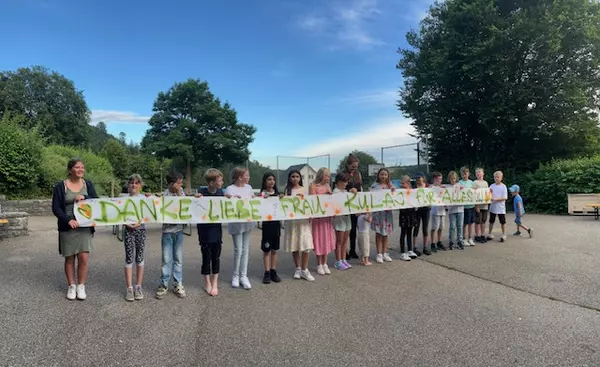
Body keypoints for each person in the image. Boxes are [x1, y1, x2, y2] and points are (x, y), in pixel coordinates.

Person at [52, 158, 98, 301]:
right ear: (70, 169)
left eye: (82, 167)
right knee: (70, 257)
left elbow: (96, 200)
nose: (81, 170)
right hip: (68, 226)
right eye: (77, 167)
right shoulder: (61, 186)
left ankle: (81, 286)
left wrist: (85, 196)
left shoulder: (88, 184)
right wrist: (68, 220)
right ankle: (71, 285)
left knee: (83, 257)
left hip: (84, 226)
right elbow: (56, 208)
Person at [156, 171, 187, 299]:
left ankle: (177, 283)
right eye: (179, 183)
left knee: (178, 259)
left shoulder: (182, 193)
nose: (181, 185)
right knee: (166, 259)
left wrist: (179, 192)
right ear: (171, 183)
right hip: (167, 232)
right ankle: (163, 284)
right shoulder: (164, 195)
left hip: (179, 231)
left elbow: (185, 205)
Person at [225, 167, 255, 290]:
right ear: (240, 177)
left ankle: (244, 276)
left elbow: (254, 202)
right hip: (236, 223)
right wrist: (229, 198)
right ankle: (235, 275)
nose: (248, 177)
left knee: (246, 249)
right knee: (238, 250)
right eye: (247, 175)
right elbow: (226, 202)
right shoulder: (230, 188)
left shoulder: (249, 188)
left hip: (247, 222)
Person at [196, 168, 224, 296]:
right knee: (206, 256)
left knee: (216, 256)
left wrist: (231, 199)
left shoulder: (221, 193)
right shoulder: (202, 192)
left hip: (216, 229)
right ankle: (207, 281)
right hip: (204, 231)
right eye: (220, 180)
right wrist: (196, 198)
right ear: (212, 182)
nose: (222, 182)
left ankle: (215, 282)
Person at [283, 169, 315, 281]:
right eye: (293, 176)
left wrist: (310, 214)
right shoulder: (287, 191)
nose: (295, 178)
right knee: (295, 245)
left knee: (306, 245)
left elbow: (310, 203)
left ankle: (305, 270)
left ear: (300, 178)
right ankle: (298, 268)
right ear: (289, 178)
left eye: (297, 176)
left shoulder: (304, 190)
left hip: (303, 220)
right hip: (292, 221)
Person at [123, 174, 147, 302]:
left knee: (140, 257)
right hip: (128, 230)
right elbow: (118, 214)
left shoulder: (144, 198)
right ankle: (129, 288)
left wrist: (140, 222)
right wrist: (126, 223)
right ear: (128, 185)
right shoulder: (123, 200)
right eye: (131, 182)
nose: (134, 185)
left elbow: (149, 212)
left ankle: (138, 286)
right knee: (129, 257)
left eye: (137, 183)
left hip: (140, 230)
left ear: (140, 185)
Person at [310, 168, 336, 274]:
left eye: (329, 176)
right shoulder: (313, 186)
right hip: (318, 218)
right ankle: (319, 264)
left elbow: (331, 201)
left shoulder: (327, 186)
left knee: (326, 239)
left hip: (326, 218)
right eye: (326, 176)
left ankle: (325, 263)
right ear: (321, 175)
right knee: (319, 239)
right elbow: (312, 199)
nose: (328, 178)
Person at [259, 172, 283, 284]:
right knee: (266, 250)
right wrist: (263, 199)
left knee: (274, 250)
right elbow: (258, 207)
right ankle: (267, 272)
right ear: (265, 181)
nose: (271, 181)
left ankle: (273, 271)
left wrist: (282, 198)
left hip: (276, 225)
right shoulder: (262, 194)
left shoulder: (278, 194)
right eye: (269, 179)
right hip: (267, 226)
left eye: (273, 179)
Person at [370, 168, 394, 263]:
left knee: (385, 234)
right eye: (381, 174)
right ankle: (379, 253)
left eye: (385, 174)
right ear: (378, 175)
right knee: (379, 233)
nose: (383, 176)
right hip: (378, 213)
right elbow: (371, 197)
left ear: (388, 176)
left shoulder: (390, 186)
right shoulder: (374, 186)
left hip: (387, 213)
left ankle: (385, 253)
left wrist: (392, 189)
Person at [343, 154, 362, 259]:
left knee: (354, 229)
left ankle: (353, 250)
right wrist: (348, 191)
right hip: (345, 205)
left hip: (355, 204)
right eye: (352, 167)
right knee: (346, 229)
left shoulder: (358, 174)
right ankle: (344, 251)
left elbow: (360, 189)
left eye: (356, 167)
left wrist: (360, 206)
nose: (354, 169)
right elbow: (338, 189)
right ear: (348, 165)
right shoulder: (342, 174)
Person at [332, 173, 352, 270]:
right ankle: (338, 260)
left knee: (345, 240)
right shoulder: (335, 192)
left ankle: (343, 259)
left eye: (346, 181)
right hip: (339, 218)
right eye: (343, 181)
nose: (345, 183)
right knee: (339, 241)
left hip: (347, 217)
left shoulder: (346, 192)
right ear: (338, 182)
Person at [399, 175, 418, 261]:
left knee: (409, 232)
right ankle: (403, 252)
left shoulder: (412, 191)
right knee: (403, 233)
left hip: (411, 213)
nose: (402, 184)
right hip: (403, 214)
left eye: (404, 183)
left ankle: (410, 250)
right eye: (402, 183)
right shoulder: (399, 191)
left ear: (408, 183)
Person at [412, 172, 431, 256]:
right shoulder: (414, 188)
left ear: (423, 178)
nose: (418, 180)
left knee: (425, 228)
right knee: (416, 228)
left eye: (419, 178)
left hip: (426, 209)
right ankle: (414, 247)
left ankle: (425, 247)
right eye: (417, 179)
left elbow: (435, 192)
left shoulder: (427, 187)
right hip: (417, 210)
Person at [487, 171, 508, 242]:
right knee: (491, 221)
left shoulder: (503, 186)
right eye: (495, 177)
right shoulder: (491, 186)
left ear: (501, 178)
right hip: (493, 207)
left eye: (498, 177)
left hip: (501, 208)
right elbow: (487, 194)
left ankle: (504, 234)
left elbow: (505, 197)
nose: (496, 178)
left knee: (502, 222)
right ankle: (489, 234)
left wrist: (495, 199)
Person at [429, 171, 447, 251]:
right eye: (439, 179)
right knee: (434, 227)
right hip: (435, 210)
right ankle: (432, 243)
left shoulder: (442, 187)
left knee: (441, 227)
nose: (440, 180)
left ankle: (439, 242)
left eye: (441, 179)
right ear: (435, 179)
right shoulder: (431, 187)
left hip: (442, 209)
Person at [447, 171, 465, 250]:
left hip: (460, 209)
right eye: (451, 179)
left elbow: (466, 192)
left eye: (454, 179)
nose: (453, 180)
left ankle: (460, 240)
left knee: (460, 225)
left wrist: (463, 189)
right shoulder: (448, 187)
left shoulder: (459, 185)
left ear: (456, 178)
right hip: (452, 209)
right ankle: (451, 240)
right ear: (449, 179)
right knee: (452, 226)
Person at [459, 166, 476, 247]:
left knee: (471, 223)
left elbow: (476, 192)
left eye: (466, 174)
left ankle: (470, 238)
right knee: (465, 223)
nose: (464, 175)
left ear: (468, 174)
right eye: (463, 174)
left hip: (471, 206)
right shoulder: (459, 183)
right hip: (464, 207)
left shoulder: (471, 183)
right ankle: (464, 238)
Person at [473, 168, 489, 243]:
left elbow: (487, 193)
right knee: (477, 221)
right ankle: (477, 235)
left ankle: (482, 235)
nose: (478, 174)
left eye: (479, 172)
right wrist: (476, 206)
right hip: (478, 205)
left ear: (483, 173)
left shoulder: (486, 183)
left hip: (485, 205)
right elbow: (473, 194)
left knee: (483, 221)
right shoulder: (475, 182)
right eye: (476, 173)